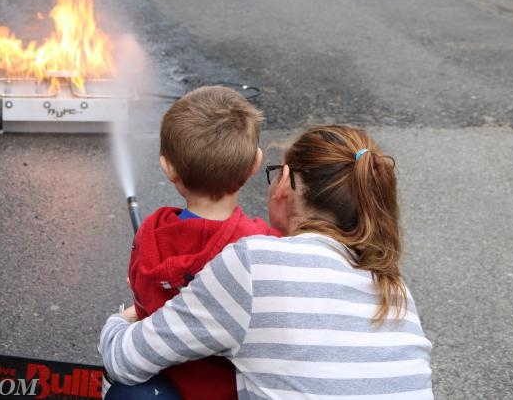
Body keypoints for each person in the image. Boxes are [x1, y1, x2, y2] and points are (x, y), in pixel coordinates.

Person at [100, 125, 433, 399]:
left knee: (136, 392)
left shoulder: (255, 263)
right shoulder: (394, 286)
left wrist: (125, 317)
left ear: (285, 182)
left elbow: (124, 358)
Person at [106, 86, 283, 400]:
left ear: (167, 166)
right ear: (255, 164)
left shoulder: (151, 233)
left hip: (164, 380)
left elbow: (140, 288)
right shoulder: (262, 245)